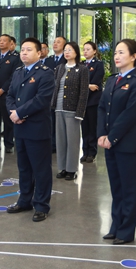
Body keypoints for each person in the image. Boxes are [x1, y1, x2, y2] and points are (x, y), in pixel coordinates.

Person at [98, 39, 136, 244]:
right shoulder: (112, 80)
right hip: (110, 142)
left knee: (128, 189)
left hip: (128, 143)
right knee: (116, 187)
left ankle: (126, 231)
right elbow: (102, 108)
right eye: (115, 53)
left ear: (134, 56)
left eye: (121, 52)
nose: (116, 56)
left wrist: (112, 137)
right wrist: (101, 134)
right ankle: (115, 225)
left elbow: (130, 114)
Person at [6, 37, 55, 222]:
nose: (24, 53)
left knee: (40, 169)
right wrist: (13, 112)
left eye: (28, 50)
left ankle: (41, 205)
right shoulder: (18, 72)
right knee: (24, 168)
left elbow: (42, 100)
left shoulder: (45, 73)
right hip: (20, 127)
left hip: (37, 128)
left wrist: (19, 113)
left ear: (39, 53)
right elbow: (10, 95)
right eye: (22, 50)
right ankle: (24, 200)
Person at [52, 41, 89, 181]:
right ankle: (62, 168)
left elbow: (84, 92)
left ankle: (72, 169)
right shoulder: (60, 68)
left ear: (76, 52)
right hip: (58, 108)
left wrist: (80, 112)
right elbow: (56, 88)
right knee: (60, 140)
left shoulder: (82, 69)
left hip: (73, 110)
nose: (67, 52)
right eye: (65, 50)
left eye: (70, 50)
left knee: (72, 141)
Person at [81, 41, 104, 163]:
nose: (85, 51)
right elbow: (78, 82)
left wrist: (86, 86)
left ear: (94, 51)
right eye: (84, 49)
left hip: (93, 100)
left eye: (88, 49)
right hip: (83, 101)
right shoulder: (81, 64)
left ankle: (92, 152)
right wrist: (87, 86)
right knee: (84, 128)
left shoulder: (98, 64)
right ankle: (85, 151)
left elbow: (95, 84)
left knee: (92, 127)